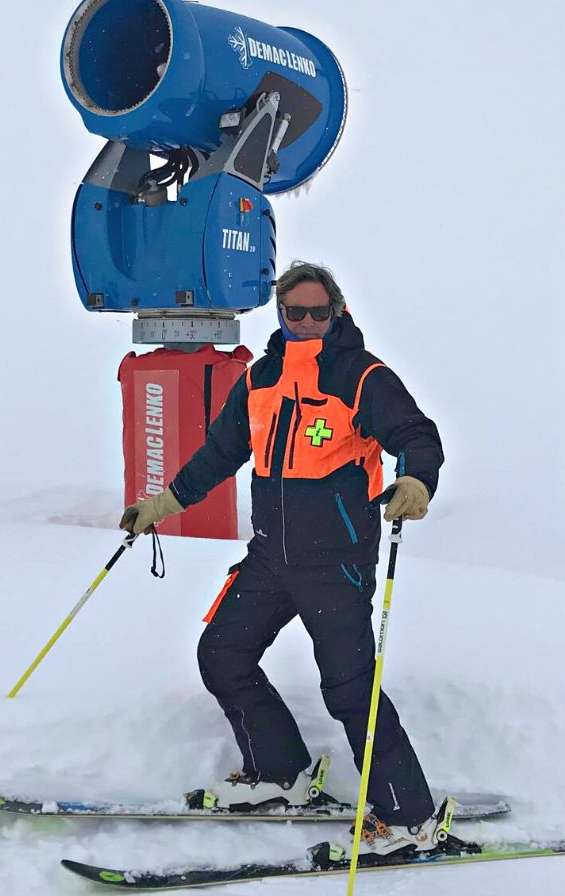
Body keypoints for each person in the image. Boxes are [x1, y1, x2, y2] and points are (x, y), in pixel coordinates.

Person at [120, 261, 450, 859]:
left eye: (317, 312)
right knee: (222, 654)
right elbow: (220, 453)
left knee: (351, 691)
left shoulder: (362, 375)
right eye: (294, 312)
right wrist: (164, 503)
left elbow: (418, 435)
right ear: (280, 314)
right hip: (271, 558)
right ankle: (281, 775)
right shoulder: (262, 378)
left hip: (338, 564)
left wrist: (416, 482)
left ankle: (409, 819)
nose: (305, 322)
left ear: (337, 312)